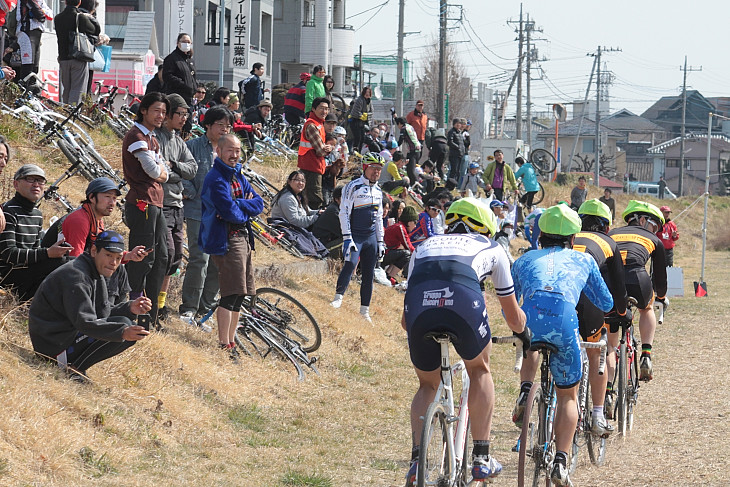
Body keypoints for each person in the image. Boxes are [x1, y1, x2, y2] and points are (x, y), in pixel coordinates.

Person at [403, 197, 529, 486]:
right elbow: (511, 315)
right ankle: (482, 457)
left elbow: (403, 320)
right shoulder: (492, 247)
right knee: (480, 369)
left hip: (419, 309)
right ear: (485, 226)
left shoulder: (423, 246)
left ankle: (417, 460)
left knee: (426, 384)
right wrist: (524, 332)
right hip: (463, 302)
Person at [511, 204, 613, 487]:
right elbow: (606, 303)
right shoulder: (583, 260)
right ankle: (561, 460)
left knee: (530, 342)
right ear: (573, 238)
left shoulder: (524, 259)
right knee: (568, 396)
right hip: (565, 323)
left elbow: (511, 295)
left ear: (540, 234)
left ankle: (525, 390)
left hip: (529, 321)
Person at [28, 231, 152, 381]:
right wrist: (122, 332)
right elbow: (85, 322)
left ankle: (76, 367)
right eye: (108, 255)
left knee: (125, 323)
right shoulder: (77, 277)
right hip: (52, 346)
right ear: (94, 251)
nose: (113, 263)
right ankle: (74, 370)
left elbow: (102, 314)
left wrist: (129, 308)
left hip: (62, 336)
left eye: (118, 258)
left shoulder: (92, 270)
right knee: (123, 326)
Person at [199, 134, 263, 359]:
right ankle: (223, 343)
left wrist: (240, 202)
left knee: (240, 294)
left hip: (242, 238)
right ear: (219, 151)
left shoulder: (237, 174)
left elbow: (259, 203)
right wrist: (242, 205)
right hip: (226, 239)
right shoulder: (216, 178)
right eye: (230, 150)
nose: (235, 155)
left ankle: (231, 341)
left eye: (237, 150)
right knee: (230, 292)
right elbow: (230, 214)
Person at [572, 199, 628, 435]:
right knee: (597, 353)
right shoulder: (608, 242)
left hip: (561, 297)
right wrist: (621, 314)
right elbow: (618, 286)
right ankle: (597, 415)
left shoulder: (569, 237)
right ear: (606, 226)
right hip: (590, 301)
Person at [52, 178, 147, 304]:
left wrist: (128, 255)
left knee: (117, 268)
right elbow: (75, 259)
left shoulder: (97, 220)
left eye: (114, 198)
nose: (112, 202)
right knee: (110, 267)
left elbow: (100, 252)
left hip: (72, 268)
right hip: (56, 274)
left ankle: (119, 312)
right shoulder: (80, 219)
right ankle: (109, 313)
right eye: (107, 196)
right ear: (92, 197)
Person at [180, 106, 233, 324]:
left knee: (217, 262)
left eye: (227, 126)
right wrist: (193, 193)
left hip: (221, 215)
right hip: (197, 211)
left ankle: (207, 308)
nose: (224, 129)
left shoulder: (229, 151)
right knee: (199, 259)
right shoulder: (192, 146)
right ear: (208, 125)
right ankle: (189, 307)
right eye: (220, 125)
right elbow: (181, 173)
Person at [121, 92, 170, 327]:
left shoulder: (153, 138)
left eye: (163, 112)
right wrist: (161, 173)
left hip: (155, 203)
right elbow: (154, 171)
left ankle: (149, 315)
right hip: (142, 203)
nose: (161, 116)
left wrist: (161, 172)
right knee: (142, 259)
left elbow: (164, 172)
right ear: (143, 110)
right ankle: (130, 310)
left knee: (162, 258)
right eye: (156, 111)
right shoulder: (136, 136)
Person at [609, 200, 668, 382]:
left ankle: (609, 391)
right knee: (647, 308)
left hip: (612, 281)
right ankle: (646, 355)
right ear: (642, 219)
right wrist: (661, 296)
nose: (655, 231)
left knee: (611, 344)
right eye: (654, 225)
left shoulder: (611, 234)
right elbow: (660, 275)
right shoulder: (654, 240)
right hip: (637, 277)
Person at [155, 94, 198, 322]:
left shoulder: (179, 142)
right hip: (160, 205)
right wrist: (174, 173)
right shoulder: (156, 138)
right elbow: (158, 173)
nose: (183, 119)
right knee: (165, 255)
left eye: (186, 114)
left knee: (175, 259)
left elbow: (192, 168)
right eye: (179, 114)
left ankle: (161, 304)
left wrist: (173, 168)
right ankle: (149, 302)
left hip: (177, 205)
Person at [0, 164, 70, 300]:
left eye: (40, 181)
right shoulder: (8, 211)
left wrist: (53, 252)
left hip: (28, 271)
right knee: (62, 264)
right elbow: (8, 254)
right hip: (8, 276)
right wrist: (47, 253)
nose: (36, 185)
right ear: (16, 184)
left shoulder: (37, 214)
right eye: (30, 179)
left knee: (73, 261)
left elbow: (36, 249)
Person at [330, 153, 385, 322]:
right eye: (373, 168)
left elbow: (379, 217)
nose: (376, 172)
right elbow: (344, 212)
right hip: (355, 234)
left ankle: (364, 310)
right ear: (365, 168)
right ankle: (338, 297)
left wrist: (381, 241)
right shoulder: (352, 186)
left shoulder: (378, 191)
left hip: (370, 238)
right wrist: (347, 237)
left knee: (369, 273)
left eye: (379, 169)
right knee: (351, 263)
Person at [54, 0, 100, 104]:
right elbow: (96, 30)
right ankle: (72, 116)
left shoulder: (58, 18)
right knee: (77, 89)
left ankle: (64, 112)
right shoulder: (80, 17)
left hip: (63, 58)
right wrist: (90, 17)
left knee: (66, 89)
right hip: (78, 56)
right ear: (79, 2)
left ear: (65, 2)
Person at [296, 97, 333, 210]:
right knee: (315, 199)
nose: (324, 111)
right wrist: (329, 148)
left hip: (314, 165)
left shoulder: (319, 124)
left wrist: (327, 147)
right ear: (313, 109)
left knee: (308, 198)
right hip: (311, 167)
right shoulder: (312, 125)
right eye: (321, 108)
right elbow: (321, 150)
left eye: (326, 109)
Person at [163, 33, 197, 135]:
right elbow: (167, 76)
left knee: (187, 125)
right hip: (177, 98)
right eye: (183, 41)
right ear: (178, 43)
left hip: (188, 99)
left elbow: (193, 78)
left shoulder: (190, 60)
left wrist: (194, 88)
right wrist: (183, 85)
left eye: (188, 42)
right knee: (177, 125)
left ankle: (184, 143)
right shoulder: (172, 58)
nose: (186, 44)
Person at [16, 0, 53, 82]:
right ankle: (23, 89)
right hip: (26, 31)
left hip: (37, 33)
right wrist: (38, 11)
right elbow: (40, 15)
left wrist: (40, 10)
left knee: (35, 67)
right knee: (27, 65)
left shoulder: (41, 2)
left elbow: (50, 15)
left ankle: (31, 89)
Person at [382, 204, 417, 283]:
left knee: (402, 253)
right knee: (406, 254)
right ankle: (389, 276)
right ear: (408, 221)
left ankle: (388, 275)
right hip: (383, 253)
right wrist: (418, 255)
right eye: (414, 222)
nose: (415, 226)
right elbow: (408, 245)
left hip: (386, 252)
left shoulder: (401, 227)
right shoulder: (400, 227)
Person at [312, 185, 344, 258]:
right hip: (321, 247)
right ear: (337, 199)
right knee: (351, 240)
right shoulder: (333, 211)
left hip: (327, 242)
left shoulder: (338, 209)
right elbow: (344, 231)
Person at [395, 117, 422, 183]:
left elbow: (400, 141)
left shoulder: (403, 129)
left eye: (397, 125)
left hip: (413, 151)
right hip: (418, 150)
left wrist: (394, 147)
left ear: (399, 124)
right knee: (410, 169)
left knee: (410, 171)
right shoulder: (409, 127)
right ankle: (414, 184)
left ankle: (416, 186)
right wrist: (395, 116)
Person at [348, 86, 373, 155]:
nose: (367, 94)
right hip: (355, 121)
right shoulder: (359, 99)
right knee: (357, 138)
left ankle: (359, 152)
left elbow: (371, 111)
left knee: (362, 138)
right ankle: (355, 152)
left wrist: (367, 116)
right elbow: (355, 112)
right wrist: (361, 116)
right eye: (366, 92)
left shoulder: (369, 101)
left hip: (363, 123)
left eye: (369, 92)